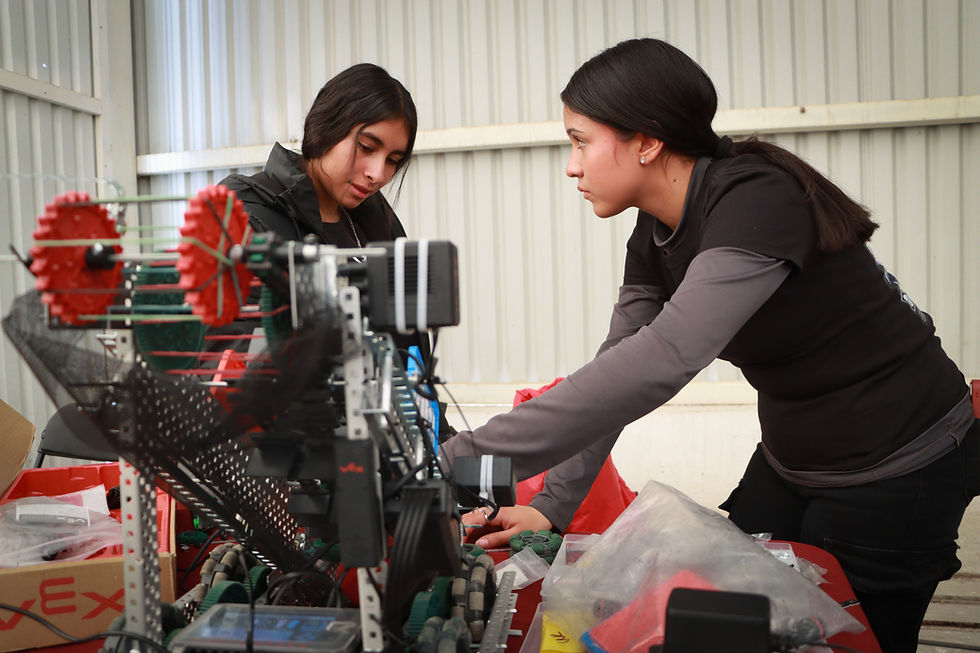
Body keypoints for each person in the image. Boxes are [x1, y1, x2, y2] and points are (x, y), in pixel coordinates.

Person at [440, 38, 978, 652]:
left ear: (647, 140)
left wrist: (461, 456)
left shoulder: (756, 198)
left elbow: (665, 358)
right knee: (729, 620)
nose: (572, 164)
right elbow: (618, 368)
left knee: (849, 640)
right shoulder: (655, 230)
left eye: (581, 140)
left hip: (898, 460)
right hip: (792, 457)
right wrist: (552, 505)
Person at [221, 62, 416, 250]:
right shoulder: (246, 212)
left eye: (393, 160)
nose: (378, 175)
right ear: (324, 128)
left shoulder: (376, 219)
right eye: (366, 147)